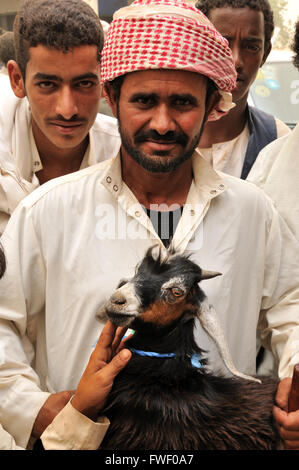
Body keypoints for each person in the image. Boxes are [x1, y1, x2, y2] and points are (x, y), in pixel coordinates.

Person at [0, 0, 298, 450]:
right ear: (112, 98)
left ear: (212, 104)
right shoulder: (47, 212)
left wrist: (293, 389)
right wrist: (32, 408)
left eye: (182, 103)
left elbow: (289, 312)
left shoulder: (254, 212)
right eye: (143, 101)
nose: (162, 122)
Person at [0, 0, 120, 235]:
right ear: (17, 80)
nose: (68, 110)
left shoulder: (125, 153)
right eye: (47, 84)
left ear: (103, 79)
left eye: (84, 84)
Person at [195, 0, 290, 179]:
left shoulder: (277, 139)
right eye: (223, 43)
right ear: (201, 46)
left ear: (265, 54)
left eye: (251, 47)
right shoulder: (164, 132)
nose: (236, 61)